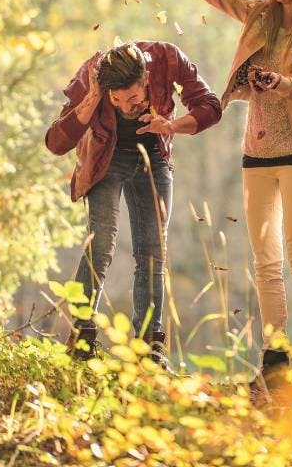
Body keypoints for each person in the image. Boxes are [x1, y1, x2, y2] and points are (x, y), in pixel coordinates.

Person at [141, 0, 292, 384]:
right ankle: (274, 359)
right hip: (257, 152)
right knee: (264, 259)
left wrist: (280, 82)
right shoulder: (258, 12)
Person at [45, 41, 221, 363]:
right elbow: (56, 142)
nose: (126, 107)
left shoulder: (167, 59)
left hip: (153, 155)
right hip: (104, 159)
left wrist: (171, 126)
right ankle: (82, 342)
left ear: (146, 79)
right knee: (101, 242)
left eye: (134, 98)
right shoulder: (93, 74)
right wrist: (94, 97)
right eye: (118, 100)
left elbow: (210, 106)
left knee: (152, 252)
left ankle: (149, 350)